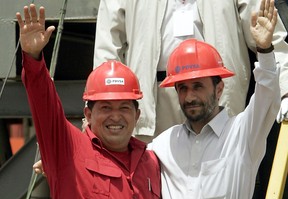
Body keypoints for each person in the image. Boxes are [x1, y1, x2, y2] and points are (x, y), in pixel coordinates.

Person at [16, 4, 161, 199]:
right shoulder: (68, 150)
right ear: (88, 114)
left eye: (124, 107)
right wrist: (33, 57)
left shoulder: (152, 163)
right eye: (105, 107)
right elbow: (45, 105)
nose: (115, 116)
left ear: (137, 115)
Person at [148, 0, 281, 199]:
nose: (189, 96)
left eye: (198, 86)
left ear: (219, 89)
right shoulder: (163, 145)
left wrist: (265, 51)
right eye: (182, 88)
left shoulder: (242, 135)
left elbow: (268, 95)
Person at [93, 0, 288, 143]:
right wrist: (97, 108)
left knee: (219, 177)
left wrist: (286, 88)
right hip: (154, 99)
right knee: (156, 179)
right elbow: (107, 49)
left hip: (215, 95)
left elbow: (268, 33)